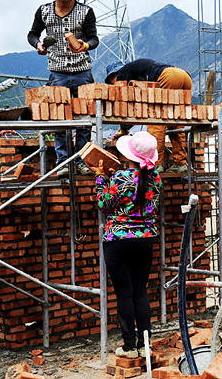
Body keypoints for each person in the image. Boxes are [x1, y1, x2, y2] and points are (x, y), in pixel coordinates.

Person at [94, 131, 163, 358]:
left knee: (124, 294)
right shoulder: (156, 178)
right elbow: (139, 192)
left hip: (118, 241)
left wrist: (100, 178)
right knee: (140, 291)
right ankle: (144, 345)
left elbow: (104, 204)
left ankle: (130, 347)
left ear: (129, 155)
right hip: (145, 240)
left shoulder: (120, 178)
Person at [28, 0, 99, 177]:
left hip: (82, 72)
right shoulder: (44, 11)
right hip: (57, 72)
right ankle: (63, 163)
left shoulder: (85, 11)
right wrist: (39, 45)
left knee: (85, 120)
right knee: (60, 119)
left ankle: (82, 161)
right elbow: (32, 34)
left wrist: (83, 46)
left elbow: (94, 39)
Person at [105, 59, 193, 173]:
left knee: (155, 121)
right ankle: (181, 163)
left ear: (114, 75)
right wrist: (124, 129)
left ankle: (156, 165)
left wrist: (123, 129)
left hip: (169, 77)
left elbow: (126, 106)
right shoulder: (134, 72)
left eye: (112, 82)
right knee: (175, 121)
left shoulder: (122, 73)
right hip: (184, 76)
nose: (113, 85)